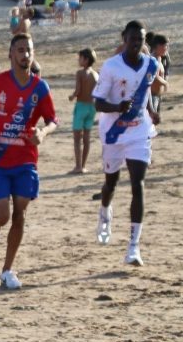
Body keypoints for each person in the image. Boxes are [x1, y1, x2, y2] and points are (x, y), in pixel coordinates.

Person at [0, 33, 58, 289]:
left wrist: (42, 133)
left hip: (25, 161)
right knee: (3, 213)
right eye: (20, 50)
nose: (25, 55)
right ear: (11, 54)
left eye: (28, 50)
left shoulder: (40, 88)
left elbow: (53, 120)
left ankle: (7, 270)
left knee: (20, 214)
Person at [94, 20, 161, 266]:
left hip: (139, 131)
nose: (136, 43)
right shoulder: (111, 66)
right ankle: (105, 211)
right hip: (113, 132)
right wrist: (117, 107)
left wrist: (151, 111)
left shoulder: (151, 64)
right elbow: (98, 103)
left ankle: (133, 246)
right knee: (111, 183)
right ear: (124, 38)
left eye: (140, 39)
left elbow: (146, 91)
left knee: (138, 184)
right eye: (132, 38)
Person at [68, 48, 99, 174]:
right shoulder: (96, 75)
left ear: (85, 60)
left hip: (81, 106)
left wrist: (72, 96)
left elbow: (78, 90)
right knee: (86, 136)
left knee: (77, 138)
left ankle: (78, 166)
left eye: (80, 58)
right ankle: (84, 165)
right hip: (92, 107)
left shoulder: (80, 73)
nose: (78, 60)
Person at [150, 34, 169, 113]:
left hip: (157, 96)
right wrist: (165, 83)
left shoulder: (159, 58)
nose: (166, 48)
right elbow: (154, 76)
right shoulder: (152, 59)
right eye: (165, 46)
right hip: (152, 97)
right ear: (158, 46)